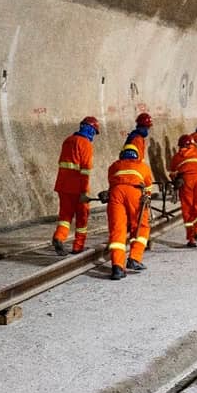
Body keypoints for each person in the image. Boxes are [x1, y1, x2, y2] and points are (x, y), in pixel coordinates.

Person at [52, 116, 100, 256]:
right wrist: (84, 192)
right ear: (91, 130)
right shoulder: (85, 144)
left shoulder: (68, 140)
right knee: (82, 216)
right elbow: (85, 171)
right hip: (77, 188)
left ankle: (59, 237)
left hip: (62, 185)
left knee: (65, 216)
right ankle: (78, 246)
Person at [106, 147, 154, 280]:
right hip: (135, 192)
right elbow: (148, 187)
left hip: (116, 193)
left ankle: (117, 267)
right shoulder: (142, 166)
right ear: (136, 156)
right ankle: (134, 258)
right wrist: (147, 197)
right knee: (141, 226)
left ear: (122, 155)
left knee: (117, 229)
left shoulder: (114, 166)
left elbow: (111, 182)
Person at [168, 134, 197, 248]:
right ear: (192, 144)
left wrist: (176, 181)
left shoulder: (177, 156)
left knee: (188, 209)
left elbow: (172, 173)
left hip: (185, 181)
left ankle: (191, 239)